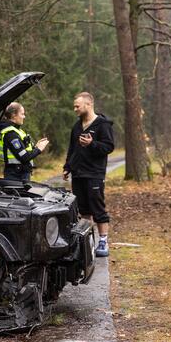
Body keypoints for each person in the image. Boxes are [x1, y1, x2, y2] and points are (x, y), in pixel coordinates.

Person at [63, 92, 114, 257]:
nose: (75, 109)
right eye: (74, 106)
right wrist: (67, 167)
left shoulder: (103, 125)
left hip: (94, 174)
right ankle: (87, 243)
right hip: (78, 175)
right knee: (83, 210)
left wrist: (92, 144)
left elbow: (108, 147)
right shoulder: (76, 127)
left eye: (77, 106)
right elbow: (72, 149)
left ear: (88, 105)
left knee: (98, 209)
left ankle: (103, 242)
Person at [0, 102, 50, 182]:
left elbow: (23, 151)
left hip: (20, 173)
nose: (24, 117)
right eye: (22, 114)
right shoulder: (11, 134)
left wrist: (35, 147)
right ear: (14, 115)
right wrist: (38, 149)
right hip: (15, 175)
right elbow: (24, 157)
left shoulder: (16, 130)